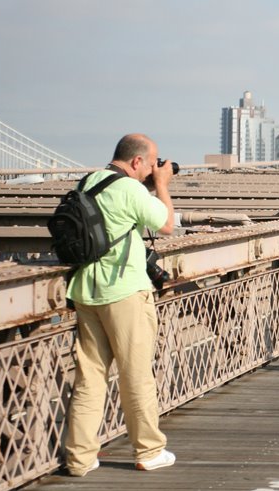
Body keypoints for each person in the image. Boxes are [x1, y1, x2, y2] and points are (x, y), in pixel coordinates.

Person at [63, 134, 176, 477]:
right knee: (136, 376)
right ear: (137, 161)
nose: (152, 170)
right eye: (152, 163)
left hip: (85, 292)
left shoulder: (89, 181)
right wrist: (162, 184)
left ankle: (79, 459)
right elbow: (168, 224)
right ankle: (149, 450)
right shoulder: (131, 189)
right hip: (124, 292)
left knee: (89, 378)